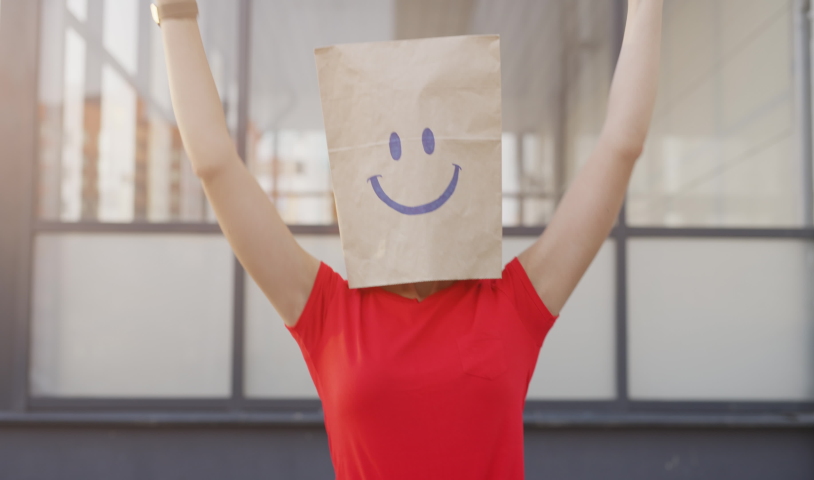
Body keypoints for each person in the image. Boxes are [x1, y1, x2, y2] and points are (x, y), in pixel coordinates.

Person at [153, 0, 663, 478]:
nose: (416, 170)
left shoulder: (511, 304)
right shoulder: (328, 311)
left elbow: (622, 143)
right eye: (393, 149)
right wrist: (175, 16)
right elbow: (215, 163)